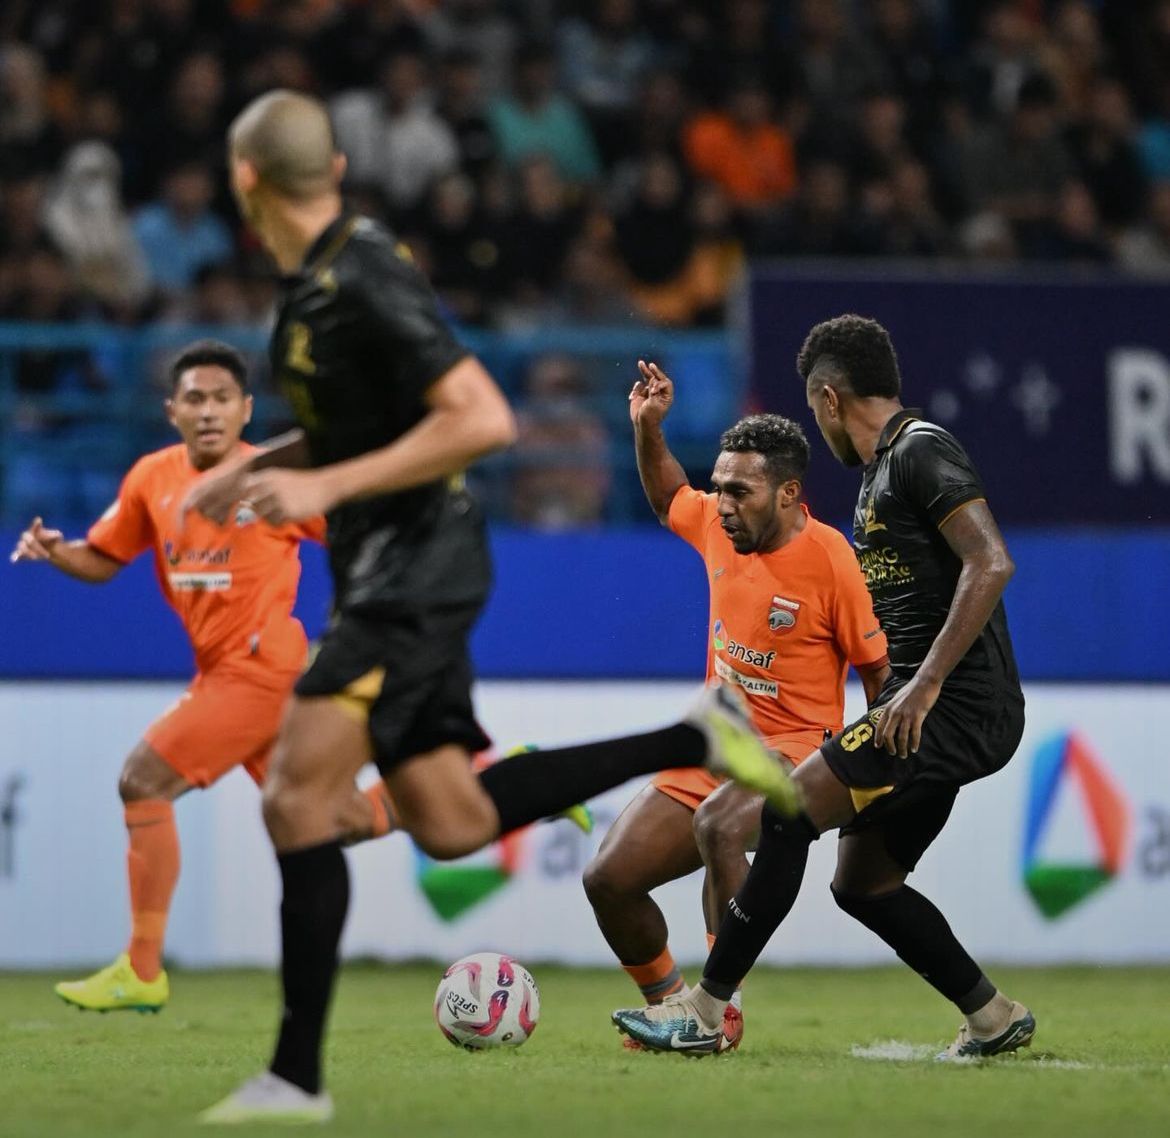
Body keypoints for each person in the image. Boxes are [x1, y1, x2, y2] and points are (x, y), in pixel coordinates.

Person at [188, 90, 796, 1124]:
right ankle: (686, 732)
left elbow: (482, 417)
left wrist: (320, 489)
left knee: (297, 800)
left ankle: (294, 1078)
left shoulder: (358, 278)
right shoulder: (314, 296)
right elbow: (365, 427)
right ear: (332, 167)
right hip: (397, 560)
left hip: (412, 565)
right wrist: (257, 467)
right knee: (451, 821)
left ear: (245, 183)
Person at [613, 314, 1033, 1062]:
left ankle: (705, 1014)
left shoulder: (918, 451)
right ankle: (993, 1015)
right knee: (863, 884)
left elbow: (991, 562)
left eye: (815, 411)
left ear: (831, 399)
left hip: (950, 705)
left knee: (782, 818)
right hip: (926, 707)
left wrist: (922, 686)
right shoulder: (880, 475)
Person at [10, 340, 394, 1014]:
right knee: (342, 818)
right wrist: (55, 552)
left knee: (142, 780)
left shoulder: (268, 480)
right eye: (195, 398)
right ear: (172, 410)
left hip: (259, 667)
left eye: (222, 398)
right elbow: (104, 557)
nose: (209, 410)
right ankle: (500, 774)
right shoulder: (151, 479)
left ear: (247, 409)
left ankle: (142, 968)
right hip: (227, 672)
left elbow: (357, 532)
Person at [585, 361, 890, 1052]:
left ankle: (718, 1011)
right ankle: (670, 1005)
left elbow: (880, 672)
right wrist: (647, 430)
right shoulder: (720, 527)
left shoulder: (833, 560)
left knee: (721, 826)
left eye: (739, 491)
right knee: (609, 879)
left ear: (788, 493)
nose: (721, 503)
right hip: (716, 746)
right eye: (718, 487)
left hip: (798, 755)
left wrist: (872, 778)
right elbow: (669, 498)